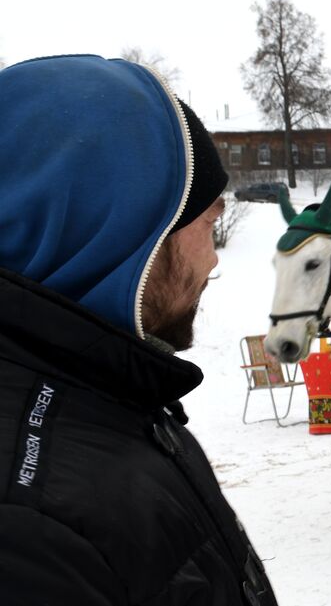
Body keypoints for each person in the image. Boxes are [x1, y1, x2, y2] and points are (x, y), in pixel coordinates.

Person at [0, 56, 278, 604]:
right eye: (208, 224)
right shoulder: (26, 528)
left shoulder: (113, 395)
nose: (215, 261)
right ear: (121, 227)